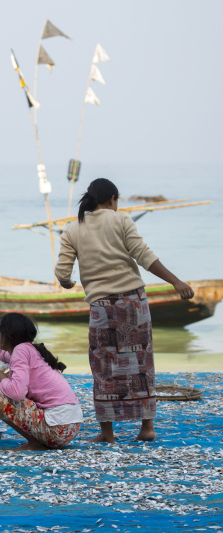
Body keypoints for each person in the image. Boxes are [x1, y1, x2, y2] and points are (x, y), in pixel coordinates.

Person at [55, 177, 194, 444]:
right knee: (141, 363)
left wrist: (69, 282)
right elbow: (145, 256)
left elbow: (63, 272)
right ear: (112, 199)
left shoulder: (73, 229)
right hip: (133, 303)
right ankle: (147, 428)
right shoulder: (122, 220)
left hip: (101, 308)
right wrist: (176, 281)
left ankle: (107, 433)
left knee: (103, 367)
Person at [0, 313, 83, 452]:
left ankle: (35, 443)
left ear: (6, 335)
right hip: (70, 429)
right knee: (6, 383)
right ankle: (37, 441)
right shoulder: (28, 349)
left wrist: (0, 375)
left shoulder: (20, 351)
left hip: (56, 429)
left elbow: (17, 393)